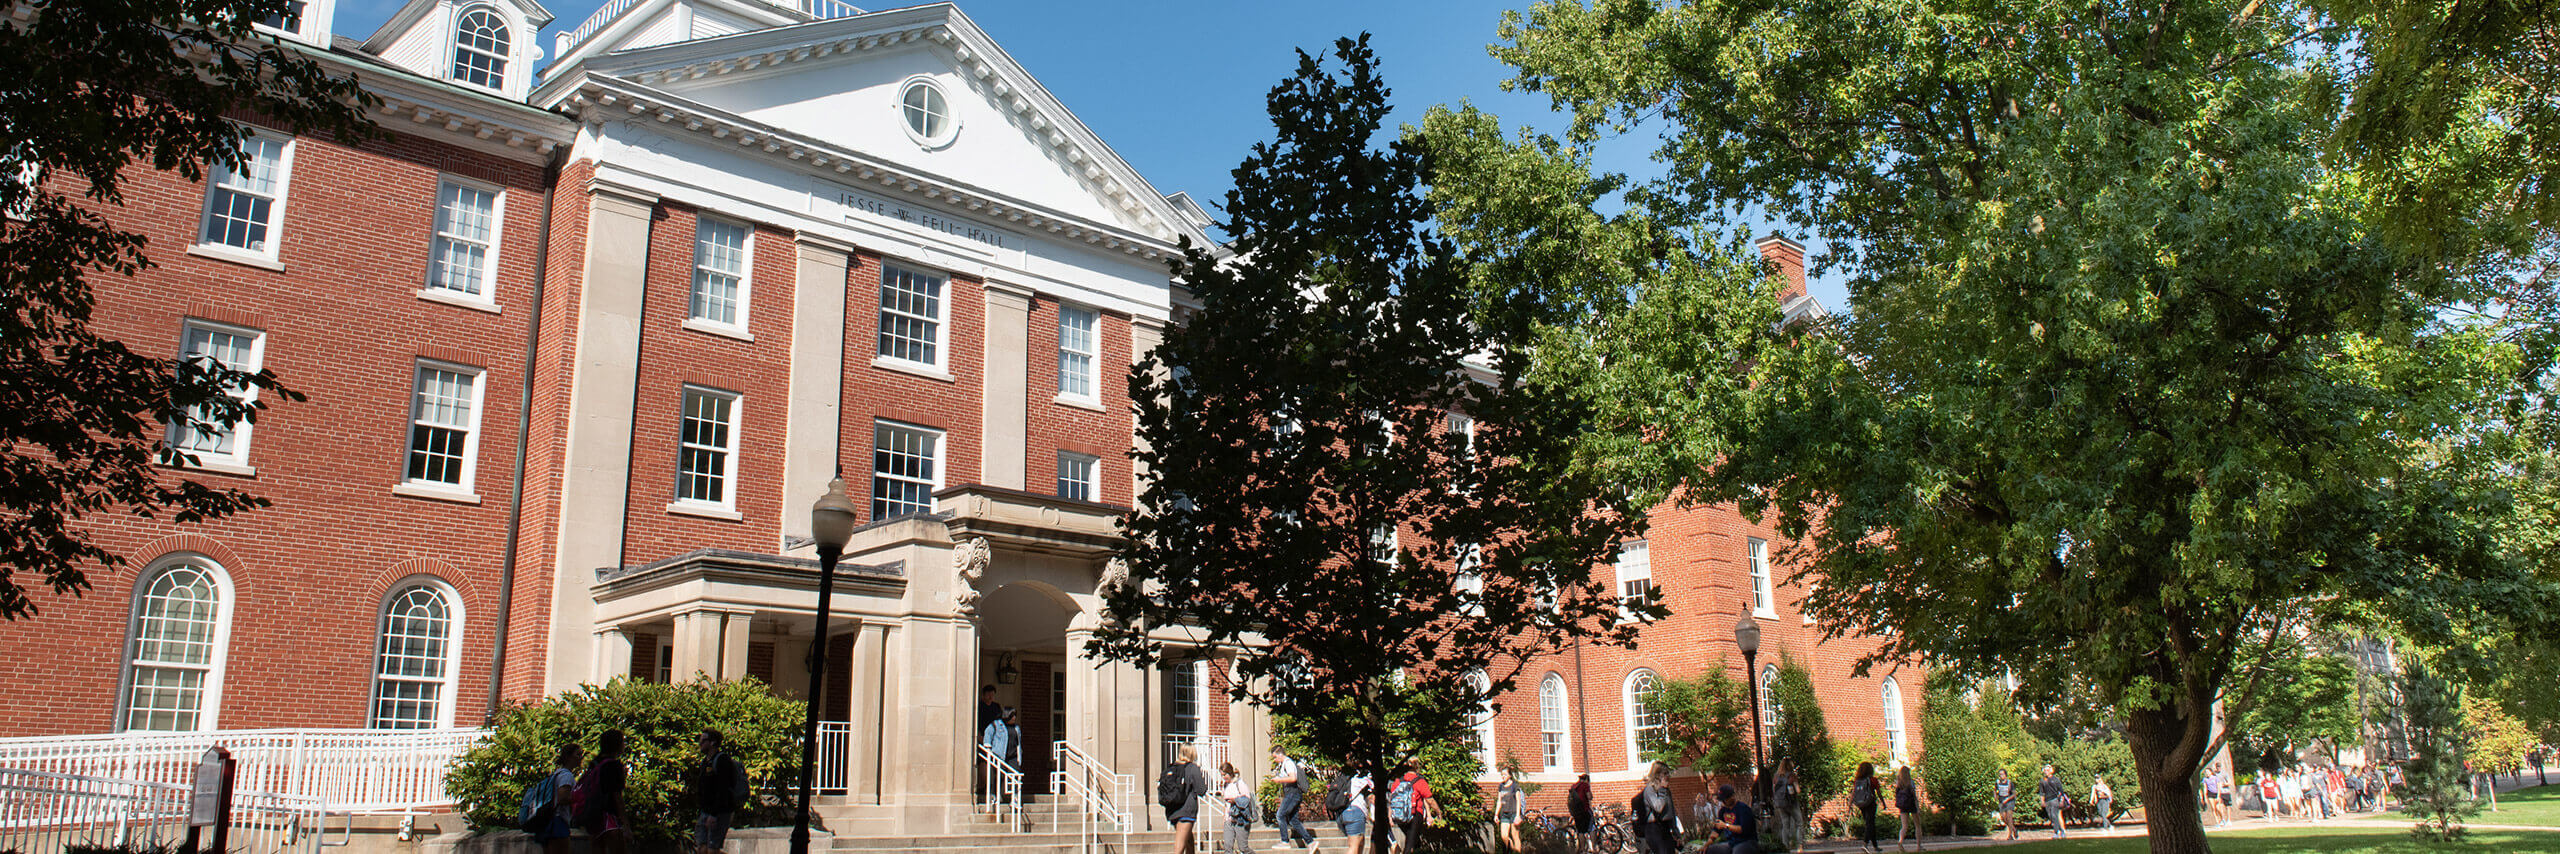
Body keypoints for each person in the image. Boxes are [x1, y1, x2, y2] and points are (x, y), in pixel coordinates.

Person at [688, 729, 748, 854]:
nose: (700, 744)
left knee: (712, 849)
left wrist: (714, 814)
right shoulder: (706, 762)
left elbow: (723, 789)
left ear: (713, 743)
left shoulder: (722, 761)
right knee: (701, 847)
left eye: (703, 741)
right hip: (706, 811)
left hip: (719, 812)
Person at [577, 729, 631, 854]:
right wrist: (626, 824)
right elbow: (616, 795)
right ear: (617, 745)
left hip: (593, 815)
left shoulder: (594, 763)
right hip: (609, 816)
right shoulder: (614, 765)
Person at [526, 743, 582, 854]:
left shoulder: (556, 774)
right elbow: (562, 798)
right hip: (557, 822)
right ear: (568, 757)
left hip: (547, 822)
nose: (581, 758)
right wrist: (580, 798)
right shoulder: (567, 775)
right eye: (578, 754)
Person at [1162, 745, 1211, 854]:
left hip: (1172, 809)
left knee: (1188, 840)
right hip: (1187, 810)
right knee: (1179, 846)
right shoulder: (1192, 768)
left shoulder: (1172, 767)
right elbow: (1201, 790)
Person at [1629, 762, 1679, 854]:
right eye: (1665, 773)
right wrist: (1662, 790)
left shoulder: (1666, 790)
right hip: (1654, 829)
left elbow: (1671, 811)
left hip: (1665, 828)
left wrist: (1675, 829)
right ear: (1657, 775)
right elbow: (1658, 807)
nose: (1668, 776)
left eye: (1668, 773)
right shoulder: (1650, 789)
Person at [1385, 764, 1435, 854]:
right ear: (1417, 768)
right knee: (1410, 845)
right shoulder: (1420, 781)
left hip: (1400, 816)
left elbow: (1392, 799)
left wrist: (1390, 817)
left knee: (1411, 842)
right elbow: (1427, 799)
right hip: (1414, 814)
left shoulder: (1398, 781)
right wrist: (1430, 814)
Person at [1271, 748, 1314, 851]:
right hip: (1292, 793)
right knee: (1293, 820)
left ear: (1280, 754)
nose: (1275, 760)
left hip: (1292, 793)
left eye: (1275, 757)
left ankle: (1285, 841)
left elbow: (1293, 778)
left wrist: (1279, 780)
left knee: (1280, 815)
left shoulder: (1288, 763)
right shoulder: (1284, 764)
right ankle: (1310, 842)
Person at [1702, 783, 1759, 854]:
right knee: (1710, 850)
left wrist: (1726, 826)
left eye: (1725, 799)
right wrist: (1709, 842)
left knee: (1737, 851)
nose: (1723, 802)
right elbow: (1717, 829)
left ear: (1732, 797)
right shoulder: (1723, 811)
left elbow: (1743, 830)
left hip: (1747, 842)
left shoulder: (1743, 809)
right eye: (1721, 800)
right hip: (1731, 843)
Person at [981, 707, 1017, 806]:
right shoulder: (996, 724)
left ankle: (1015, 797)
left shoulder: (1016, 728)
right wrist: (987, 746)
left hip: (1012, 755)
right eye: (1012, 715)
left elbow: (1018, 742)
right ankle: (995, 795)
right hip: (999, 755)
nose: (1014, 718)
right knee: (1000, 775)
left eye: (1015, 715)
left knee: (1015, 775)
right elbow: (988, 734)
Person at [1336, 762, 1374, 854]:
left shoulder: (1349, 778)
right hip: (1356, 812)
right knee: (1354, 846)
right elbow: (1372, 798)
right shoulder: (1365, 780)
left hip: (1343, 813)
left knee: (1360, 843)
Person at [1219, 761, 1255, 854]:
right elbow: (1226, 804)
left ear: (1230, 773)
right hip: (1229, 819)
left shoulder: (1239, 783)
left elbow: (1247, 800)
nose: (1223, 777)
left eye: (1225, 775)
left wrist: (1235, 800)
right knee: (1227, 847)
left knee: (1243, 848)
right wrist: (1224, 817)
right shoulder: (1225, 785)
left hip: (1241, 819)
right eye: (1221, 775)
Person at [1769, 760, 1801, 853]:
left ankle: (1785, 847)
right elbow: (1798, 790)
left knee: (1785, 825)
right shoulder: (1792, 776)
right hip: (1792, 803)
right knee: (1799, 823)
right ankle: (1799, 846)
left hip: (1780, 803)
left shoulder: (1776, 777)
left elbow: (1774, 790)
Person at [1850, 762, 1881, 854]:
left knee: (1870, 824)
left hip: (1861, 804)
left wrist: (1850, 804)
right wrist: (1883, 802)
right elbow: (1878, 792)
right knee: (1870, 824)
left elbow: (1853, 793)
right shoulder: (1873, 780)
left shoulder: (1857, 780)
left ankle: (1875, 846)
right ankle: (1865, 844)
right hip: (1870, 803)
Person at [1495, 768, 1525, 854]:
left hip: (1514, 813)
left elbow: (1518, 801)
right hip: (1504, 814)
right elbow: (1499, 801)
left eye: (1505, 774)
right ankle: (1512, 849)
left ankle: (1517, 852)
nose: (1503, 776)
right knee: (1504, 836)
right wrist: (1496, 814)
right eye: (1502, 774)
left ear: (1510, 775)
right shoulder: (1501, 786)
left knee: (1515, 836)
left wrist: (1518, 815)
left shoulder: (1514, 786)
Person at [1893, 766, 1921, 851]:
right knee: (1918, 825)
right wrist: (1917, 806)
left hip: (1903, 806)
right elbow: (1914, 795)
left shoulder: (1899, 783)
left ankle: (1900, 841)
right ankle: (1919, 846)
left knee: (1904, 826)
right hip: (1911, 805)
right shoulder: (1910, 782)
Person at [1567, 773, 1595, 854]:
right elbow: (1589, 797)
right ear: (1586, 779)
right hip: (1585, 810)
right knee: (1592, 828)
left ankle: (1582, 849)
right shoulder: (1585, 785)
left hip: (1576, 812)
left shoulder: (1574, 786)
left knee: (1580, 831)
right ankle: (1593, 848)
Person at [2037, 765, 2067, 839]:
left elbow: (2061, 791)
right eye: (2045, 770)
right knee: (2051, 816)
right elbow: (2041, 792)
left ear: (2051, 771)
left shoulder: (2056, 779)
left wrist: (2062, 801)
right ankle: (2061, 830)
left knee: (2054, 815)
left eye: (2048, 770)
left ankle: (2056, 833)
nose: (2046, 772)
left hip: (2054, 799)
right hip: (2047, 800)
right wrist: (2042, 801)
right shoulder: (2042, 780)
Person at [1995, 767, 2018, 840]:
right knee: (2004, 818)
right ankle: (2014, 829)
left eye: (2002, 774)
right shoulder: (1998, 782)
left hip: (2009, 801)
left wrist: (2007, 799)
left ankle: (2010, 835)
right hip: (2001, 801)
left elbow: (2014, 794)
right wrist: (1995, 796)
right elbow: (1995, 790)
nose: (2001, 776)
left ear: (2005, 775)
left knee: (2009, 817)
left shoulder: (2009, 783)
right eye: (2000, 774)